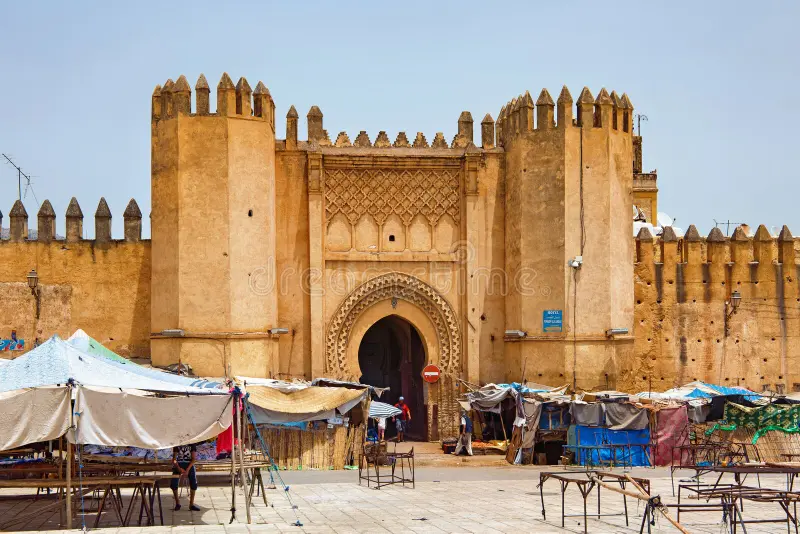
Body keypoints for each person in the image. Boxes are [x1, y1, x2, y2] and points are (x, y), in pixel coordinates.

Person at [171, 442, 200, 511]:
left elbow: (193, 459)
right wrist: (178, 468)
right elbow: (174, 459)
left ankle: (191, 504)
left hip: (189, 465)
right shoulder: (177, 444)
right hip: (178, 465)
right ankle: (177, 503)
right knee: (173, 484)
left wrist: (187, 469)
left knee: (194, 483)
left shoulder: (192, 444)